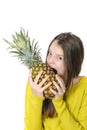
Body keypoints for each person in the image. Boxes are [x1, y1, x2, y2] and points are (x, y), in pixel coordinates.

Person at [24, 32, 87, 130]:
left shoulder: (84, 87)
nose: (50, 61)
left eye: (59, 58)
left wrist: (59, 102)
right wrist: (36, 98)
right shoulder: (35, 85)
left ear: (72, 63)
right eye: (50, 53)